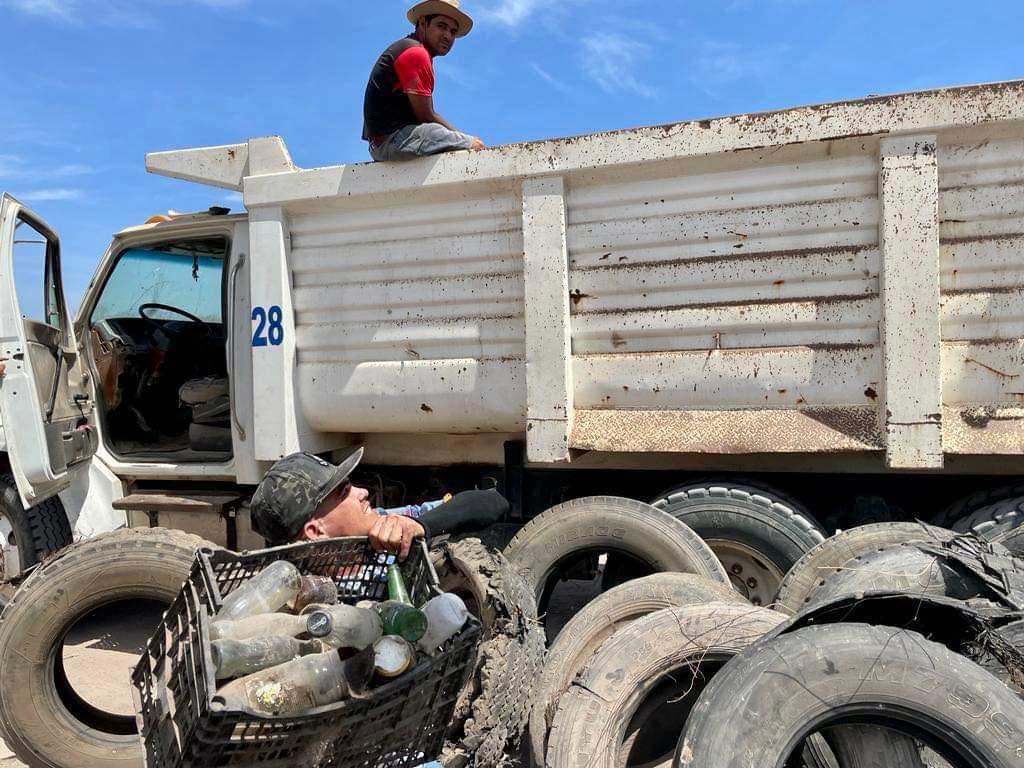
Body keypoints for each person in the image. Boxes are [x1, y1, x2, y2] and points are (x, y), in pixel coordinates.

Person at [249, 448, 507, 559]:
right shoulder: (298, 591)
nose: (362, 492)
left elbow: (492, 502)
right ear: (315, 532)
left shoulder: (385, 520)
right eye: (343, 492)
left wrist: (418, 527)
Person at [363, 0, 485, 162]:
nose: (448, 36)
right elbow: (426, 116)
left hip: (389, 142)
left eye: (453, 31)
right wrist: (466, 140)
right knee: (434, 132)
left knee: (438, 134)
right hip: (393, 141)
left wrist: (456, 137)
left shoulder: (411, 49)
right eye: (441, 26)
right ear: (422, 24)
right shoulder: (416, 53)